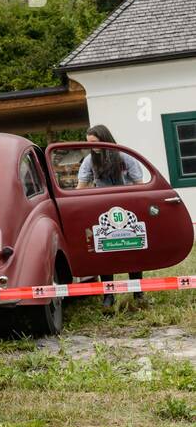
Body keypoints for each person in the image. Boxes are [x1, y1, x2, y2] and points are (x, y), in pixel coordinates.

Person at [77, 125, 145, 306]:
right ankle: (109, 295)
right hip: (102, 209)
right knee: (104, 250)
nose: (92, 146)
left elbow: (139, 184)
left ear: (105, 139)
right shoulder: (88, 161)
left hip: (128, 207)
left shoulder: (125, 157)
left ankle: (138, 293)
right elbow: (80, 187)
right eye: (89, 143)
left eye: (95, 142)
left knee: (132, 247)